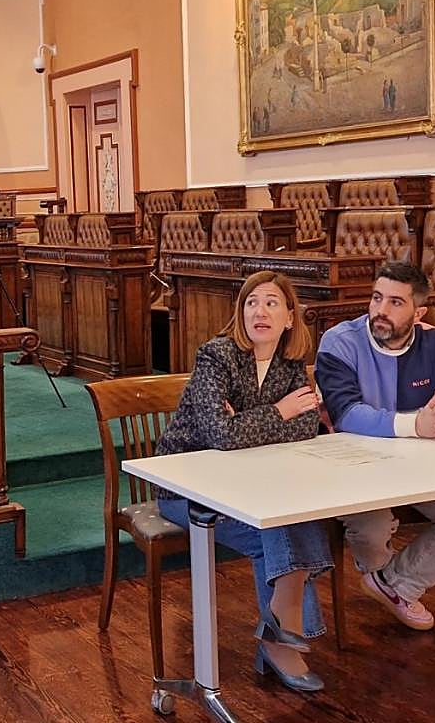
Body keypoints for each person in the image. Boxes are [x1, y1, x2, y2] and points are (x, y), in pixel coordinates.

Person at [156, 271, 330, 693]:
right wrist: (279, 413)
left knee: (299, 514)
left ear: (290, 317)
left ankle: (279, 635)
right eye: (252, 302)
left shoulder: (290, 365)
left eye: (272, 302)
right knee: (270, 529)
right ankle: (285, 642)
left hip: (252, 482)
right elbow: (220, 435)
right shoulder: (216, 357)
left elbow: (308, 426)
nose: (260, 311)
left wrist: (250, 422)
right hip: (185, 486)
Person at [314, 261, 435, 631]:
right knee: (373, 526)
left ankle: (393, 585)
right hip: (352, 467)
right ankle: (392, 587)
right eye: (377, 298)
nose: (381, 310)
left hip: (418, 467)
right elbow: (346, 415)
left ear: (419, 311)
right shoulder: (340, 341)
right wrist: (418, 424)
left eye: (396, 302)